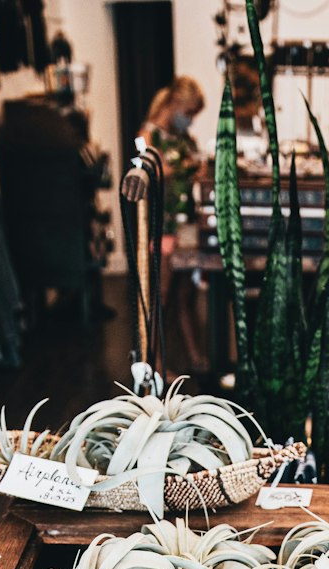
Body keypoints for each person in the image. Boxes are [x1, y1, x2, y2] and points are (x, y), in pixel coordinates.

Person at [122, 75, 207, 368]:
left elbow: (194, 164)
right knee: (160, 297)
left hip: (186, 223)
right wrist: (184, 166)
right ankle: (154, 363)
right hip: (163, 227)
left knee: (186, 295)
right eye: (190, 112)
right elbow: (151, 167)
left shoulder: (182, 139)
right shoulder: (146, 135)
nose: (190, 119)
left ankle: (196, 357)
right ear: (175, 104)